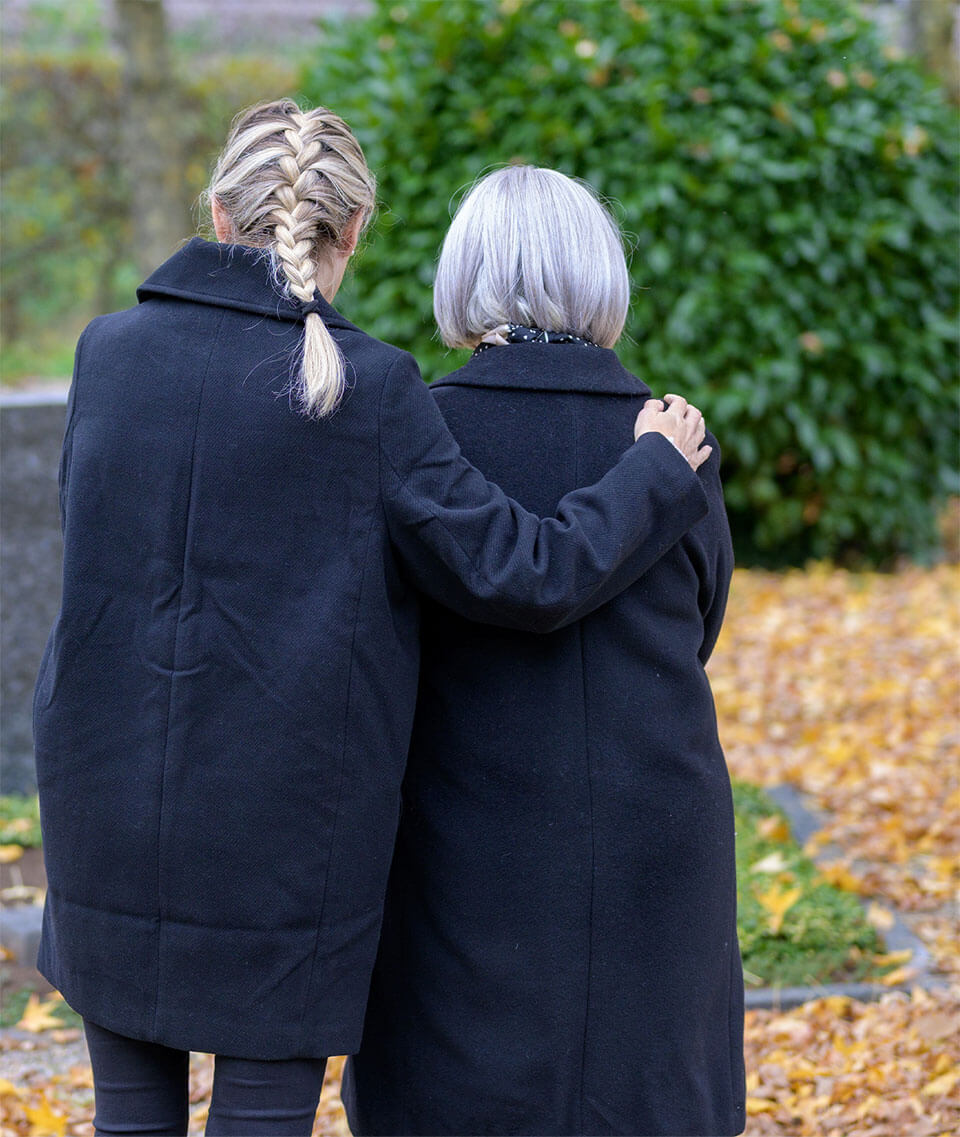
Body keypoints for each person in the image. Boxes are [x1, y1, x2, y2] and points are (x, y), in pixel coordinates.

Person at [33, 103, 712, 1135]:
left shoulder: (107, 354)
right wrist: (656, 473)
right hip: (282, 833)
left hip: (105, 800)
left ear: (216, 209)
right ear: (351, 234)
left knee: (130, 1114)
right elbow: (526, 576)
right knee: (261, 1114)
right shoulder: (372, 389)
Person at [342, 166, 747, 1137]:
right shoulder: (674, 439)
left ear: (463, 278)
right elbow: (702, 622)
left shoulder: (420, 433)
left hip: (463, 829)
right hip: (657, 819)